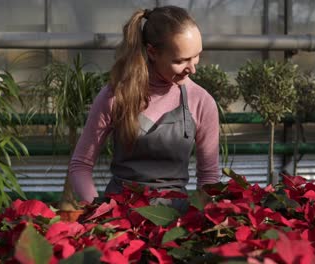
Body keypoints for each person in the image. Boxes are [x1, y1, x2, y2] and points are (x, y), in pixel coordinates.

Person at [69, 5, 220, 203]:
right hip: (120, 220)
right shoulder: (115, 96)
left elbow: (209, 177)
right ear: (152, 52)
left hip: (174, 221)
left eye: (196, 56)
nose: (192, 68)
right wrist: (100, 212)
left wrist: (201, 220)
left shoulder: (201, 101)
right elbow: (80, 165)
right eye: (181, 60)